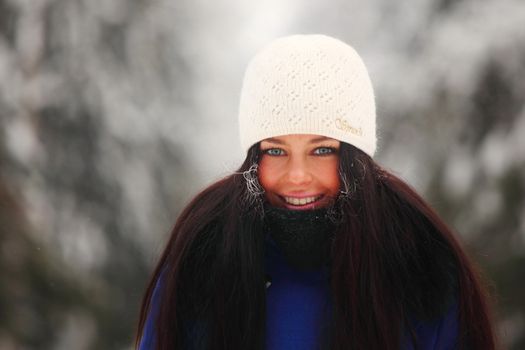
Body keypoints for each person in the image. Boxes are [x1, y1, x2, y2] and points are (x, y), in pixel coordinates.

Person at [135, 34, 498, 349]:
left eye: (322, 150)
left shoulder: (419, 264)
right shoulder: (205, 258)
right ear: (252, 157)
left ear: (356, 157)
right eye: (275, 151)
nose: (297, 176)